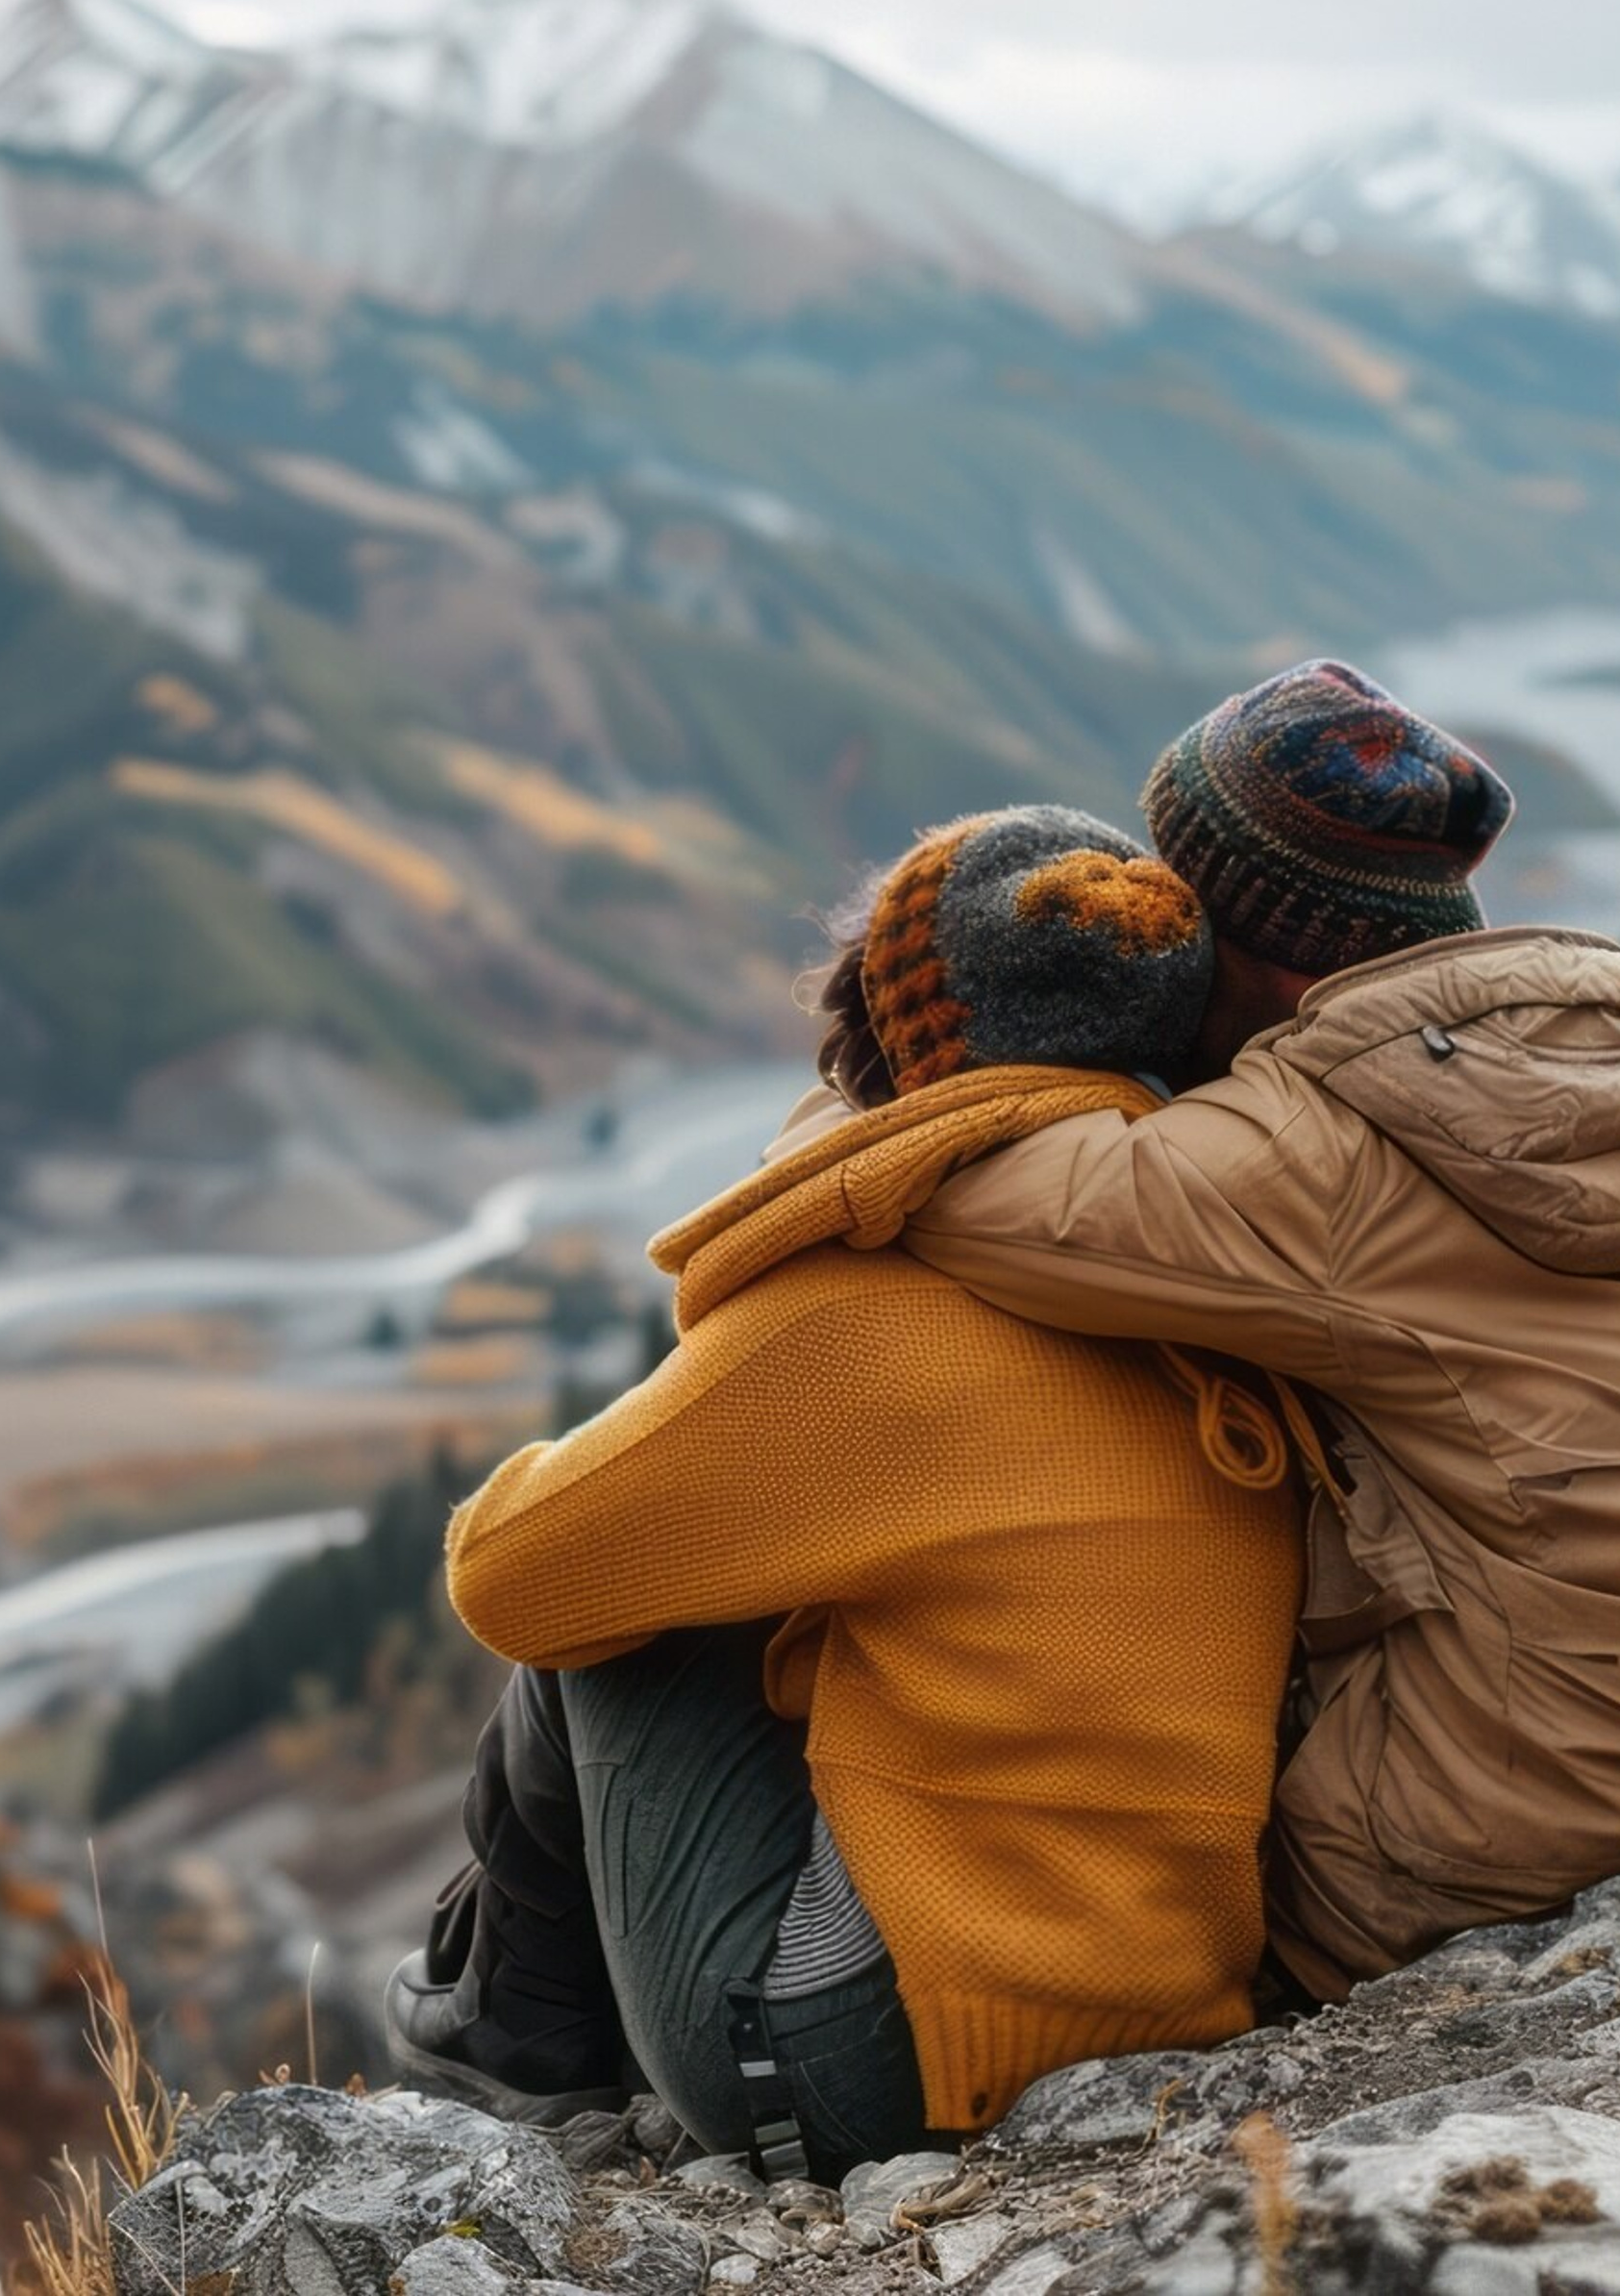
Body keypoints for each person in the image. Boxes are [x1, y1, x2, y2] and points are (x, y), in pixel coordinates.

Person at [386, 808, 1305, 2179]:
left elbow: (508, 1578)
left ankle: (502, 2037)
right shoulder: (1208, 1270)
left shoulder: (867, 1312)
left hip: (872, 2069)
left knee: (608, 1605)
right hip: (1172, 2005)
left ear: (881, 1036)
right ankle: (504, 2026)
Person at [884, 661, 1620, 2003]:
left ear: (1246, 932)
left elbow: (959, 1199)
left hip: (1478, 1847)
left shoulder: (1321, 1154)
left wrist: (895, 1043)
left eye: (1173, 897)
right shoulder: (1572, 1034)